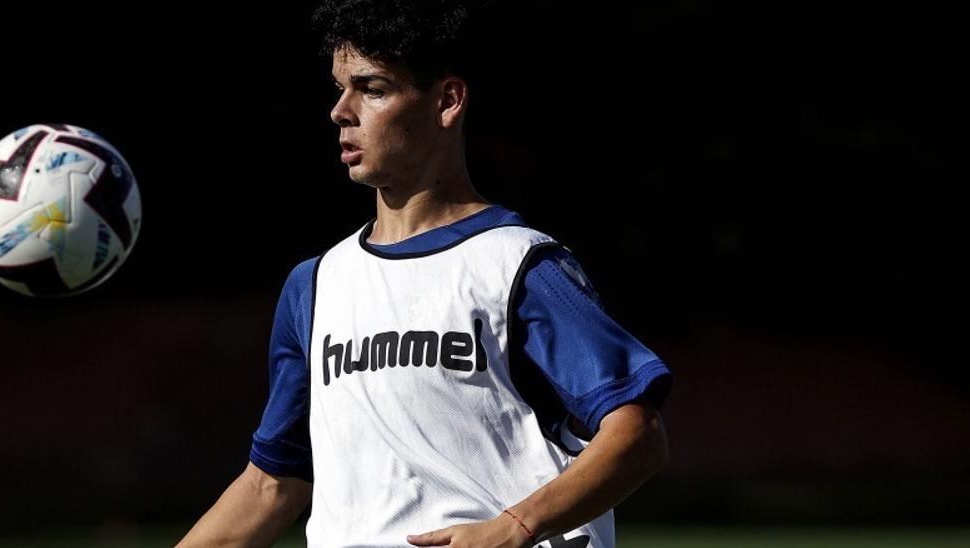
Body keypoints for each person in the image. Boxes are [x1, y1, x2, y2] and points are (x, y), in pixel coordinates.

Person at [179, 2, 671, 547]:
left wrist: (512, 529)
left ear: (446, 101)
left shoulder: (518, 265)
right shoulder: (315, 285)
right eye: (340, 88)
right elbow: (272, 484)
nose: (341, 111)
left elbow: (637, 434)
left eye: (372, 88)